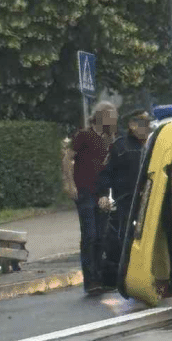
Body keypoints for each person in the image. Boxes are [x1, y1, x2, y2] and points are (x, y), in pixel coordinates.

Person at [63, 101, 118, 294]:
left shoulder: (109, 139)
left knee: (102, 236)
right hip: (85, 191)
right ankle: (90, 279)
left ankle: (101, 276)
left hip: (102, 193)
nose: (113, 121)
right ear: (101, 116)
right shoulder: (84, 136)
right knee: (90, 235)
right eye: (111, 116)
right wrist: (70, 183)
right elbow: (68, 158)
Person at [97, 109, 151, 282]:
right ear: (132, 125)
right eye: (143, 124)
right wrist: (104, 195)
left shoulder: (151, 146)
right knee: (125, 237)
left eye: (148, 124)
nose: (147, 128)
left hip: (149, 200)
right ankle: (125, 274)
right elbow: (106, 173)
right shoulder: (121, 147)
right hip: (127, 201)